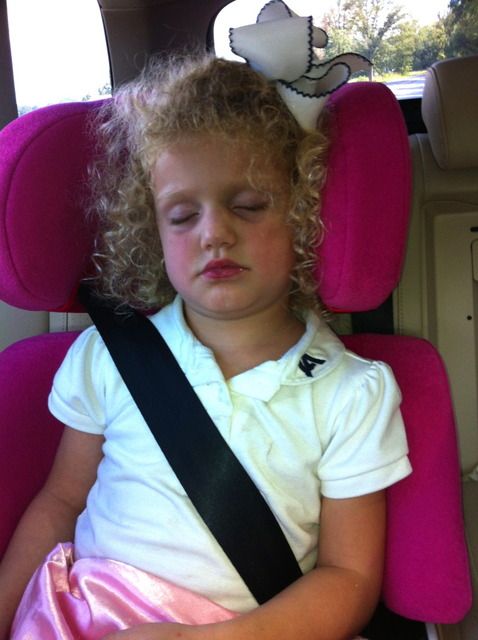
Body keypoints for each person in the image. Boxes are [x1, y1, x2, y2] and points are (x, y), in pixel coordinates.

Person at [0, 13, 411, 640]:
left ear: (301, 214)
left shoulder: (351, 393)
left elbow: (349, 578)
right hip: (77, 620)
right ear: (153, 231)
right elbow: (61, 501)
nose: (215, 233)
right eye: (182, 216)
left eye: (247, 205)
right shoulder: (108, 357)